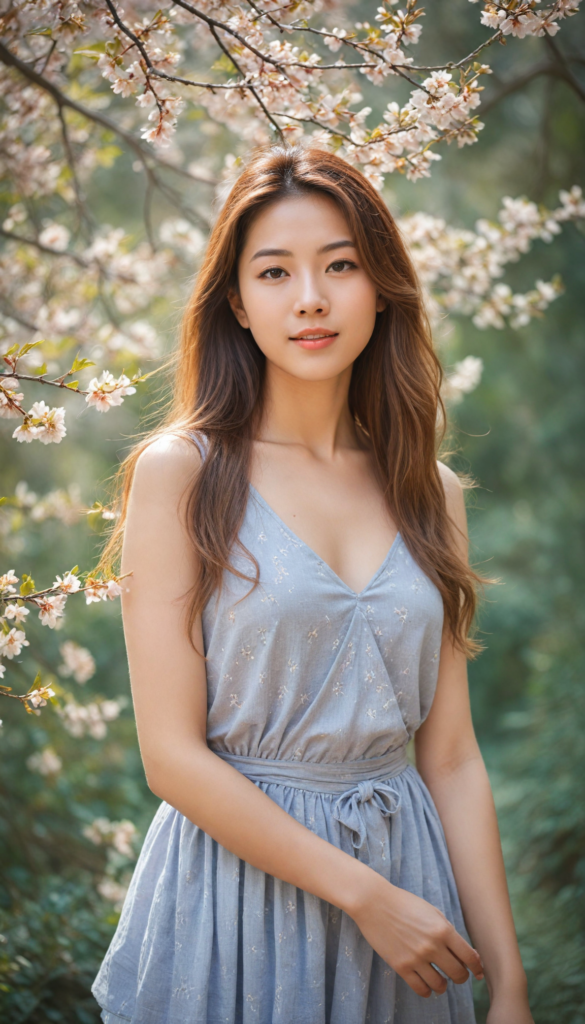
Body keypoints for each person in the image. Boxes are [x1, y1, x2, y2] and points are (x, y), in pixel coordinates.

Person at [91, 142, 534, 1024]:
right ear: (237, 304)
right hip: (236, 897)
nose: (310, 298)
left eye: (340, 265)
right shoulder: (182, 473)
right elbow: (171, 758)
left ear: (381, 288)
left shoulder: (428, 490)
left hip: (410, 895)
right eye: (274, 272)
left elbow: (449, 758)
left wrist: (511, 988)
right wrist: (366, 898)